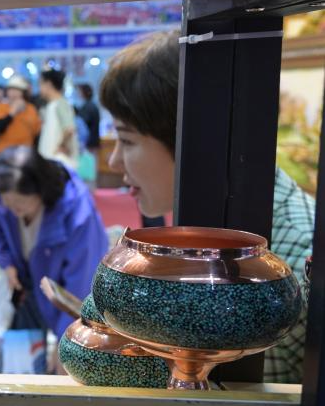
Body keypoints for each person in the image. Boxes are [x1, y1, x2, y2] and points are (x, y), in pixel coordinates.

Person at [100, 30, 314, 383]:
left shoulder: (295, 254)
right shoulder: (203, 222)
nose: (114, 160)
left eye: (126, 140)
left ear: (188, 138)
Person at [0, 145, 108, 341]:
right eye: (8, 203)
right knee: (26, 345)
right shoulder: (0, 191)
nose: (13, 209)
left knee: (67, 343)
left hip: (64, 284)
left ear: (41, 190)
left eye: (20, 203)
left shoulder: (79, 214)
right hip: (26, 278)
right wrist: (7, 262)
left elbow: (80, 285)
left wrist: (69, 338)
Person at [0, 76, 41, 159]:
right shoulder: (1, 107)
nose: (13, 93)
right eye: (11, 89)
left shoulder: (31, 109)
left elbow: (36, 133)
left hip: (26, 154)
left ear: (23, 92)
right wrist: (11, 113)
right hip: (4, 154)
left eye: (17, 90)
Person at [37, 69, 79, 169]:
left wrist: (60, 147)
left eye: (41, 84)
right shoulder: (53, 105)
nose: (39, 88)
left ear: (48, 84)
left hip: (58, 162)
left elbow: (69, 129)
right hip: (52, 162)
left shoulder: (60, 103)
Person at [74, 83, 101, 152]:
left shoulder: (87, 107)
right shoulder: (92, 105)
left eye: (79, 91)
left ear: (84, 92)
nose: (78, 93)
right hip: (93, 141)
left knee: (89, 158)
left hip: (89, 143)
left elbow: (82, 125)